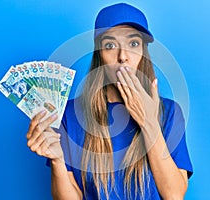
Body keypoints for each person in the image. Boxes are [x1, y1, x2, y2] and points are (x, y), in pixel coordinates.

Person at [26, 3, 193, 200]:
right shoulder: (69, 115)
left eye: (133, 44)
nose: (123, 57)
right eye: (110, 45)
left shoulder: (169, 111)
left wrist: (148, 122)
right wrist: (57, 161)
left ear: (143, 52)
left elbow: (173, 195)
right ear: (99, 54)